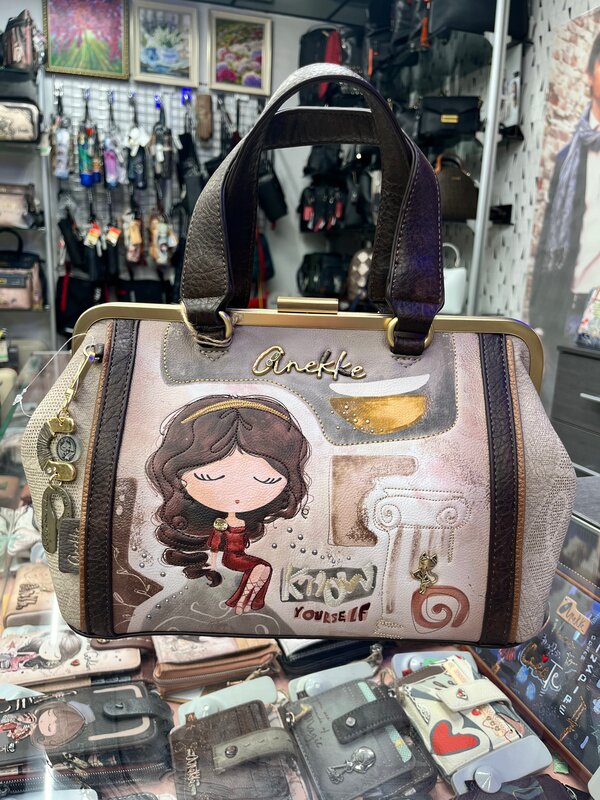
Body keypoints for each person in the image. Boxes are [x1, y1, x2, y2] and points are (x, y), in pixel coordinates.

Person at [147, 395, 310, 615]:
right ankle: (245, 602)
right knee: (262, 569)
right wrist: (213, 563)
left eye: (266, 480)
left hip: (235, 560)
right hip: (231, 559)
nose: (238, 493)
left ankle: (243, 602)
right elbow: (215, 544)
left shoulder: (240, 520)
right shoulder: (218, 526)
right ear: (175, 473)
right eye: (208, 477)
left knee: (262, 570)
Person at [530, 32, 600, 397]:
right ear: (589, 73)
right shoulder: (567, 158)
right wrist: (540, 319)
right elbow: (548, 243)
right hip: (565, 310)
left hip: (598, 311)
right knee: (553, 412)